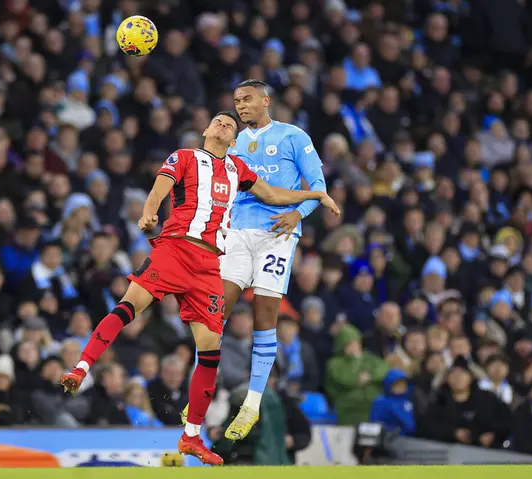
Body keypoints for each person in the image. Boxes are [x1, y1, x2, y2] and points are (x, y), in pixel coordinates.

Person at [60, 111, 339, 465]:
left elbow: (272, 194)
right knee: (129, 306)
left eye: (230, 125)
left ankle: (191, 436)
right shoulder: (184, 157)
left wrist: (315, 194)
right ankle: (81, 368)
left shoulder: (238, 168)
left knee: (211, 349)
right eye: (218, 122)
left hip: (209, 265)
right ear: (206, 130)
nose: (224, 125)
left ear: (234, 141)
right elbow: (157, 193)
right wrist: (148, 214)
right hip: (175, 248)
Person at [185, 79, 329, 441]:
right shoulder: (231, 144)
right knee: (214, 311)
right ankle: (201, 390)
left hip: (277, 235)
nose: (241, 105)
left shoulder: (293, 136)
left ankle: (251, 404)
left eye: (247, 99)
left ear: (266, 101)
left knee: (265, 317)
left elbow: (318, 186)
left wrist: (299, 215)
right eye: (236, 101)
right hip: (235, 234)